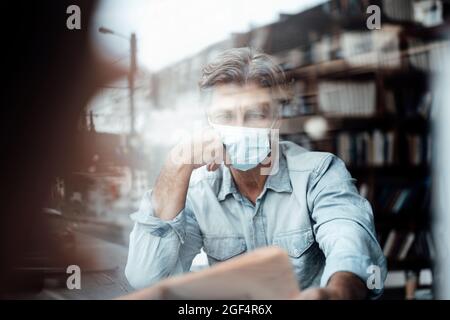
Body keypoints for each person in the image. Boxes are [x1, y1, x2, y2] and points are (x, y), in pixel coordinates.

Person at [125, 47, 387, 299]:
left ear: (277, 119)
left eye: (254, 115)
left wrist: (334, 294)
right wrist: (176, 165)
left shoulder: (318, 174)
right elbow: (146, 278)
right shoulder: (199, 189)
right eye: (225, 116)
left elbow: (350, 244)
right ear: (208, 122)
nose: (240, 128)